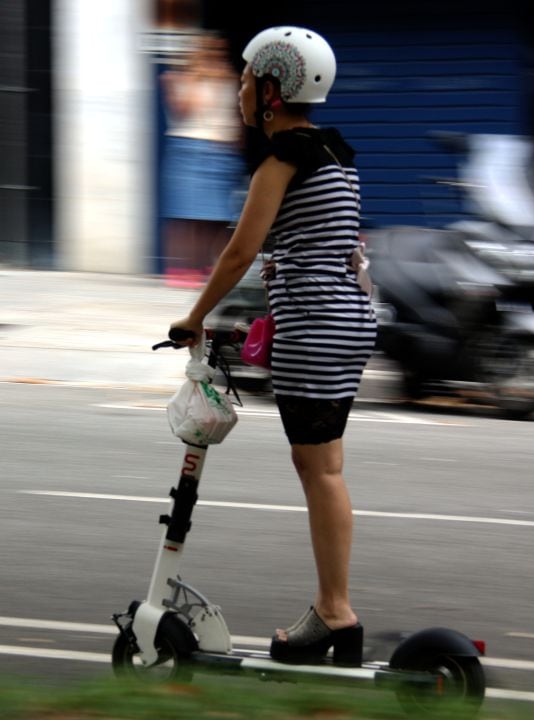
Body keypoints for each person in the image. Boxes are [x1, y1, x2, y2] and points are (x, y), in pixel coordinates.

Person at [169, 26, 377, 667]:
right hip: (347, 321)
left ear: (269, 89)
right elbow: (336, 248)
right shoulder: (335, 157)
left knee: (319, 471)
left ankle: (336, 613)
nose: (235, 93)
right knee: (325, 469)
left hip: (315, 327)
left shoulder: (282, 161)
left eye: (241, 80)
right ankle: (332, 608)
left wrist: (194, 317)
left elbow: (239, 249)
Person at [159, 34, 243, 288]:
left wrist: (237, 139)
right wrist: (196, 80)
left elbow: (233, 113)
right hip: (190, 147)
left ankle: (208, 265)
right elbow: (184, 109)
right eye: (211, 50)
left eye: (219, 50)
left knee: (217, 216)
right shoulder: (183, 78)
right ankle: (180, 268)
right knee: (186, 215)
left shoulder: (229, 77)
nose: (216, 54)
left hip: (222, 149)